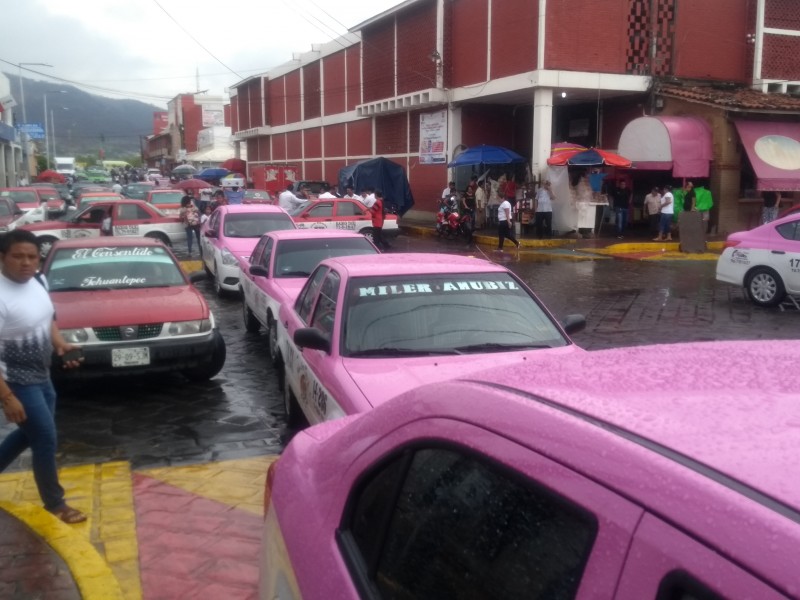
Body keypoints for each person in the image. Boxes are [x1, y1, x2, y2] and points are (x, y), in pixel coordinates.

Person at [0, 230, 87, 524]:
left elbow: (47, 317)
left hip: (42, 374)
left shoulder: (38, 280)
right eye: (18, 256)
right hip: (14, 381)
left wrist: (59, 343)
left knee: (31, 433)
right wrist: (7, 398)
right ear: (2, 258)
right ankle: (55, 503)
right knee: (45, 438)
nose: (26, 263)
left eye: (32, 257)